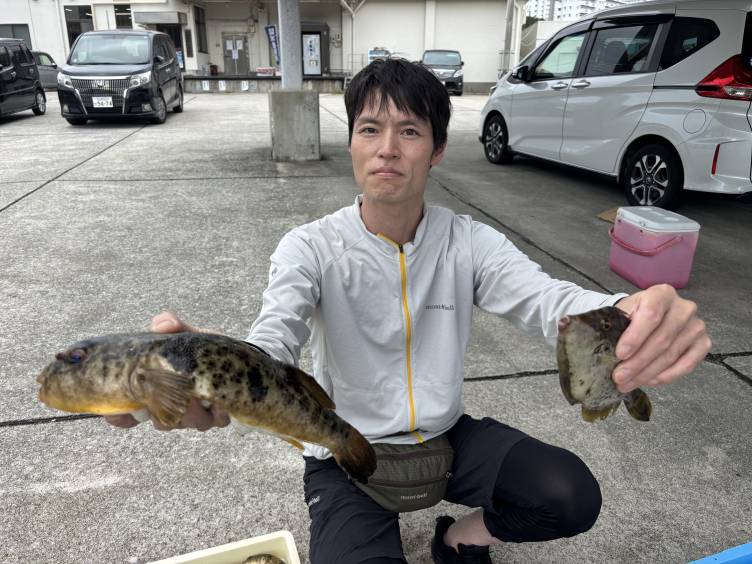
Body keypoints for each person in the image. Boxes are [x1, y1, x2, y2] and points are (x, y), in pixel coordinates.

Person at [106, 59, 711, 563]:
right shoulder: (309, 247)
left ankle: (459, 538)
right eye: (369, 129)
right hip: (344, 453)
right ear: (351, 141)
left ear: (438, 149)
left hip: (445, 439)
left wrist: (625, 307)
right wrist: (203, 371)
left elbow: (547, 299)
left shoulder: (468, 242)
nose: (387, 150)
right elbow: (274, 341)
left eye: (410, 132)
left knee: (570, 495)